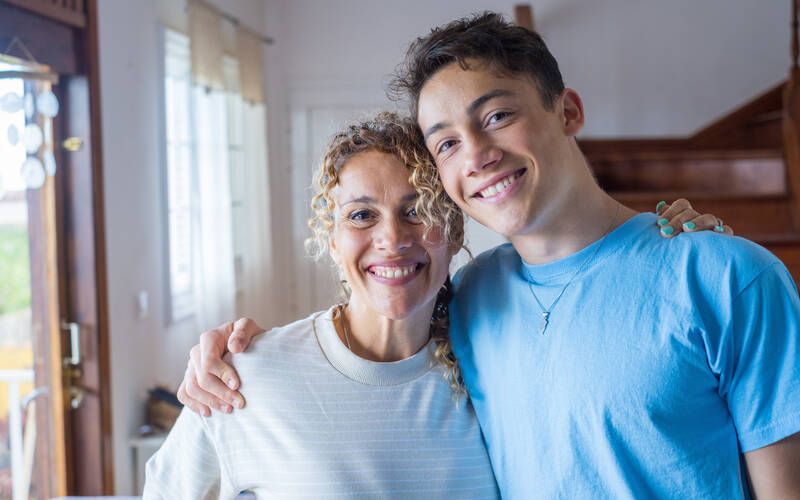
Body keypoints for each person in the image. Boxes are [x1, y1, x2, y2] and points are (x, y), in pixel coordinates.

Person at [179, 12, 800, 498]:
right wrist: (235, 351)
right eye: (445, 143)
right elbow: (376, 323)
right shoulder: (472, 298)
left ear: (569, 111)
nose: (475, 154)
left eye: (497, 115)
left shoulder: (727, 277)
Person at [144, 113, 500, 499]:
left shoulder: (491, 371)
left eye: (417, 210)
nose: (393, 239)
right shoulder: (244, 378)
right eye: (362, 215)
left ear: (455, 232)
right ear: (333, 241)